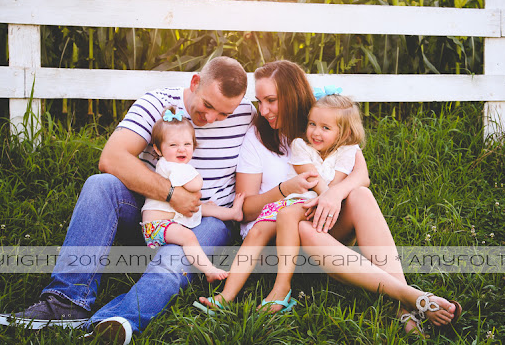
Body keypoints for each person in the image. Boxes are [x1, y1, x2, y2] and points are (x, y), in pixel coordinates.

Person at [0, 56, 256, 344]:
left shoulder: (246, 113)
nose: (211, 119)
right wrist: (171, 194)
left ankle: (118, 321)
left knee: (175, 256)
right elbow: (111, 157)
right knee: (100, 185)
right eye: (207, 106)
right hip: (151, 212)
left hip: (209, 218)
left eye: (223, 114)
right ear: (195, 83)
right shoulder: (158, 102)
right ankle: (67, 300)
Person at [197, 60, 461, 335]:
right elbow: (248, 209)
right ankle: (412, 298)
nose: (263, 111)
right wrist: (286, 189)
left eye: (271, 100)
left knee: (360, 195)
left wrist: (332, 194)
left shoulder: (324, 120)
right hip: (278, 240)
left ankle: (403, 306)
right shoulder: (258, 137)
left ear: (293, 95)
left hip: (323, 224)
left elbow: (362, 175)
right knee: (299, 223)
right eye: (259, 101)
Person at [141, 105, 244, 282]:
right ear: (158, 149)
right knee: (189, 237)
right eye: (173, 145)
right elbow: (196, 185)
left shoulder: (172, 166)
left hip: (168, 222)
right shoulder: (170, 165)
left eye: (187, 144)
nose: (181, 149)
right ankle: (208, 269)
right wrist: (196, 177)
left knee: (203, 208)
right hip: (157, 226)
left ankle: (233, 213)